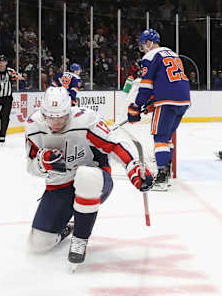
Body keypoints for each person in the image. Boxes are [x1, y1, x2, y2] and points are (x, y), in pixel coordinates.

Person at [25, 86, 153, 268]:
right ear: (43, 113)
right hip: (59, 185)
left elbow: (114, 145)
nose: (55, 123)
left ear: (69, 111)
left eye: (61, 117)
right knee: (38, 243)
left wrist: (133, 167)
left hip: (95, 177)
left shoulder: (85, 120)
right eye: (50, 117)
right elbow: (30, 167)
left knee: (86, 177)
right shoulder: (33, 126)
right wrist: (42, 163)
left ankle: (80, 238)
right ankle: (66, 227)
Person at [127, 29, 191, 191]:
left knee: (160, 137)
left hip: (167, 100)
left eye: (143, 44)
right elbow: (168, 79)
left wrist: (136, 106)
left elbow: (146, 84)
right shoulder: (172, 53)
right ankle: (166, 172)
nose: (143, 48)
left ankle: (162, 176)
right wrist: (151, 101)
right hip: (183, 99)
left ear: (149, 42)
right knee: (167, 137)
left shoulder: (150, 55)